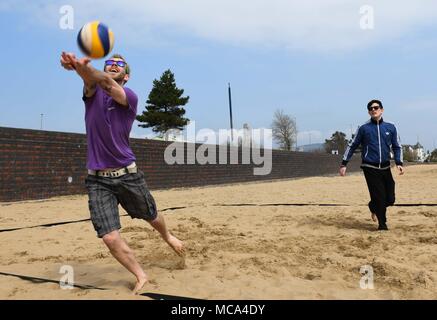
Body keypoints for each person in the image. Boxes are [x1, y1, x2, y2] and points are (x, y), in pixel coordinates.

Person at [60, 52, 185, 294]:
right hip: (97, 180)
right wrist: (77, 66)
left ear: (126, 76)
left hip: (127, 173)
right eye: (109, 64)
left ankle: (168, 236)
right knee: (108, 237)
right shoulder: (92, 92)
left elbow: (106, 82)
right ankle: (140, 275)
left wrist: (80, 67)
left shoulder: (129, 97)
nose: (112, 66)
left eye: (118, 65)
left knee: (150, 213)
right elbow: (91, 80)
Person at [339, 99, 404, 231]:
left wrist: (399, 162)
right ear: (369, 112)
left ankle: (373, 207)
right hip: (370, 167)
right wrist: (344, 164)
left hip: (385, 167)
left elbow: (397, 146)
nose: (373, 110)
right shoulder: (363, 128)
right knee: (380, 197)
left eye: (376, 107)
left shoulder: (391, 127)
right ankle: (382, 224)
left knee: (390, 199)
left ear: (382, 110)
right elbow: (352, 145)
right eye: (370, 108)